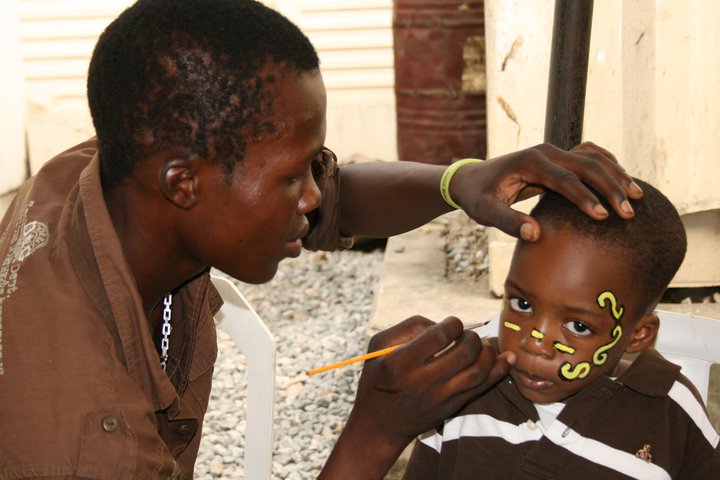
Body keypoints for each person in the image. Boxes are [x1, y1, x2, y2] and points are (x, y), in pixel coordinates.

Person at [0, 1, 643, 479]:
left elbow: (336, 201)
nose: (313, 196)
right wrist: (374, 432)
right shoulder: (82, 436)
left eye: (313, 166)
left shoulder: (123, 168)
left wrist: (462, 182)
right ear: (183, 183)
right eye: (290, 177)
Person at [402, 178, 720, 479]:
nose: (536, 343)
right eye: (522, 304)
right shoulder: (464, 391)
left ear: (638, 335)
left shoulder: (672, 412)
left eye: (578, 326)